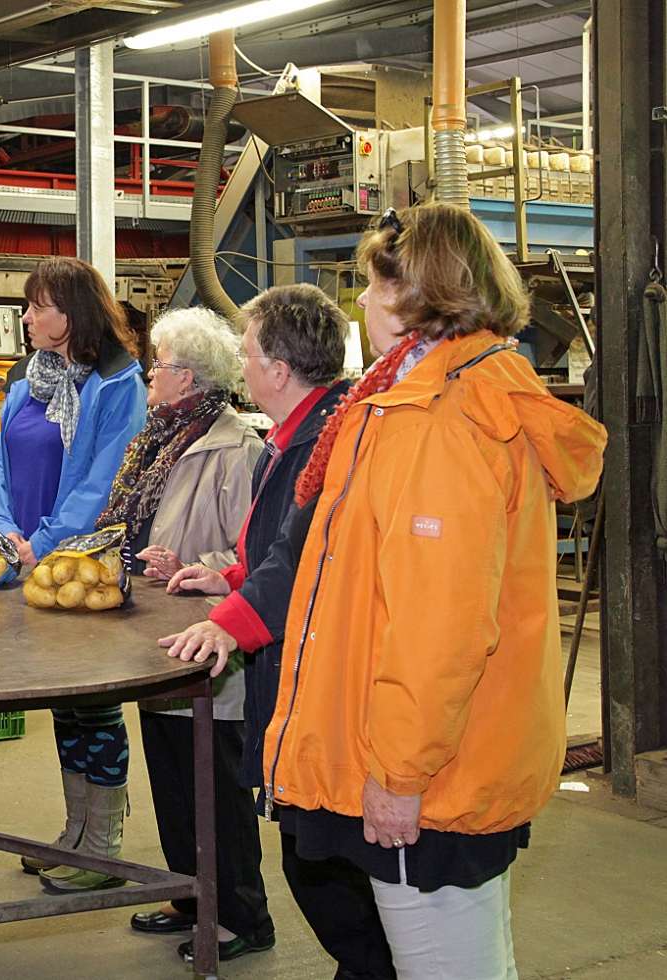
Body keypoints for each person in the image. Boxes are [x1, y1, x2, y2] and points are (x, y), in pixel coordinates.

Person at [260, 204, 605, 979]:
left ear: (419, 296)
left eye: (372, 287)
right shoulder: (417, 401)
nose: (358, 303)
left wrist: (400, 774)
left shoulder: (444, 419)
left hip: (432, 771)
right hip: (441, 755)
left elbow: (439, 625)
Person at [158, 284, 375, 972]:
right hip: (293, 666)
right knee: (313, 856)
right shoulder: (299, 436)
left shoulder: (324, 440)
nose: (241, 367)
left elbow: (303, 556)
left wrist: (230, 622)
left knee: (322, 862)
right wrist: (223, 578)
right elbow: (271, 549)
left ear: (278, 370)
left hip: (320, 678)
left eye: (248, 354)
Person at [90, 306, 271, 958]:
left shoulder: (236, 449)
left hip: (209, 645)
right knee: (171, 779)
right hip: (158, 638)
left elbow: (256, 553)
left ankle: (242, 917)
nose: (148, 376)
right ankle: (191, 895)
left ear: (188, 376)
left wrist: (199, 567)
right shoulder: (157, 439)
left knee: (214, 789)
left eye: (157, 365)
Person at [0, 257, 145, 888]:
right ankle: (75, 833)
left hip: (79, 565)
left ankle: (103, 847)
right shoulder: (28, 377)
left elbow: (103, 482)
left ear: (71, 315)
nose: (25, 318)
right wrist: (3, 529)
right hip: (23, 558)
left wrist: (42, 543)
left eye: (36, 307)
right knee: (63, 704)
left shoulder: (116, 382)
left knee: (94, 701)